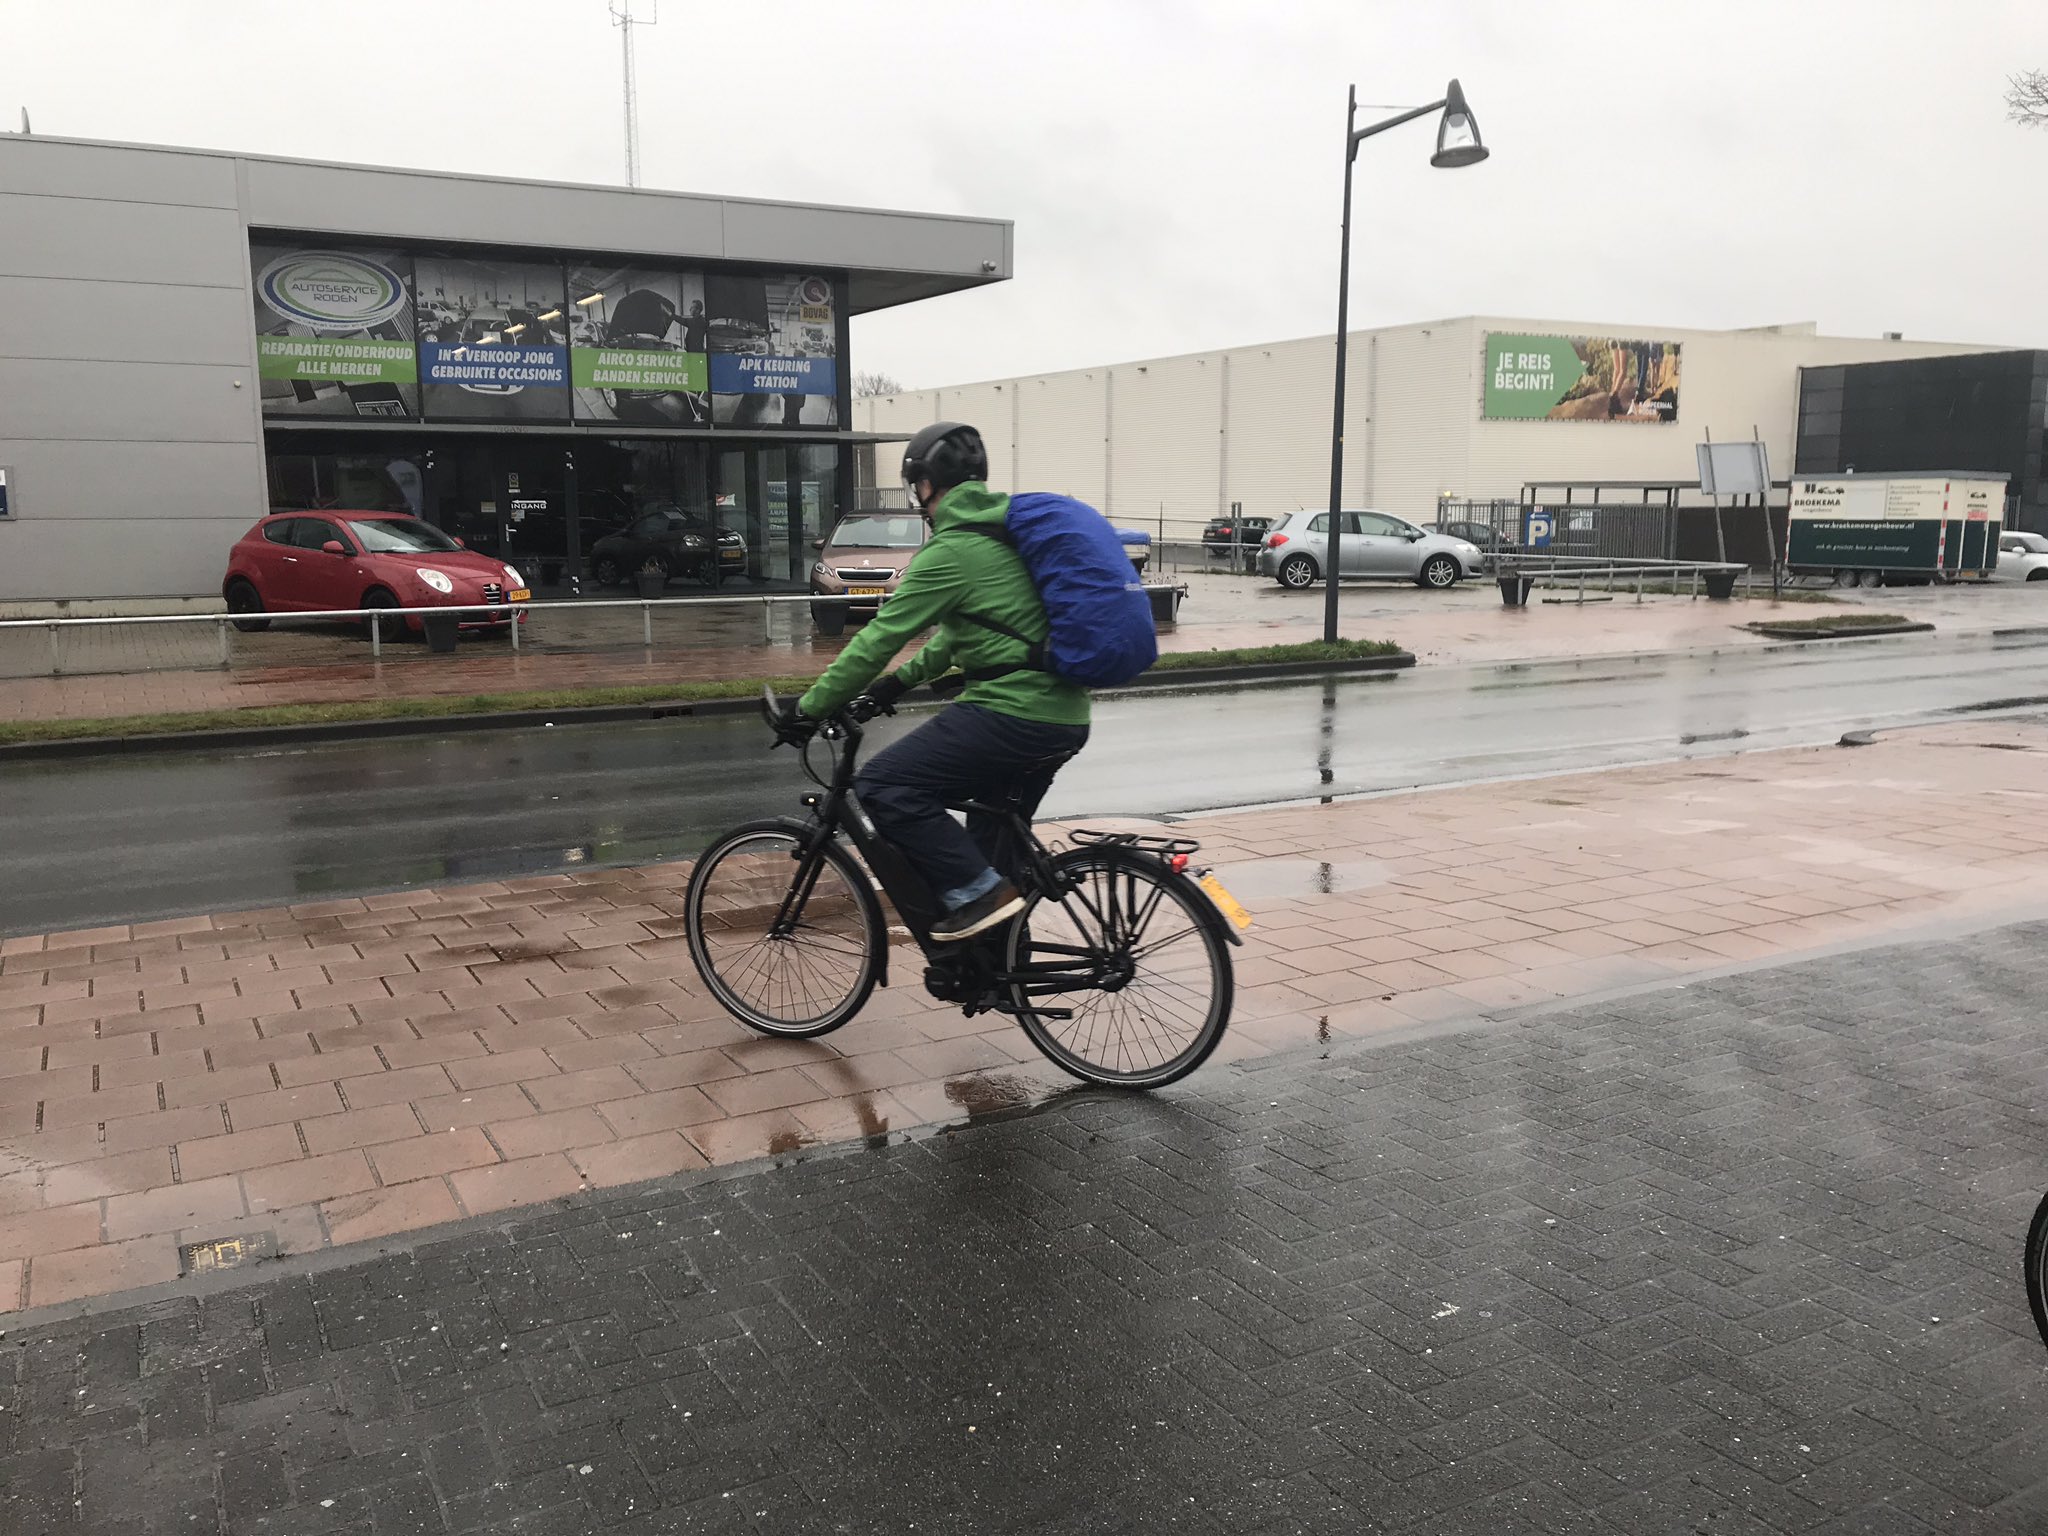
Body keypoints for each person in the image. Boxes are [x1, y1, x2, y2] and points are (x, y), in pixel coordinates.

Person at [784, 422, 1090, 942]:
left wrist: (810, 708)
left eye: (918, 484)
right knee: (992, 837)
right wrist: (895, 685)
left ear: (927, 484)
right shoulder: (1003, 538)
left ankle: (978, 896)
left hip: (1012, 714)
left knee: (885, 784)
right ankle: (998, 960)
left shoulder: (950, 551)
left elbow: (877, 637)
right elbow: (960, 637)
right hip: (1063, 715)